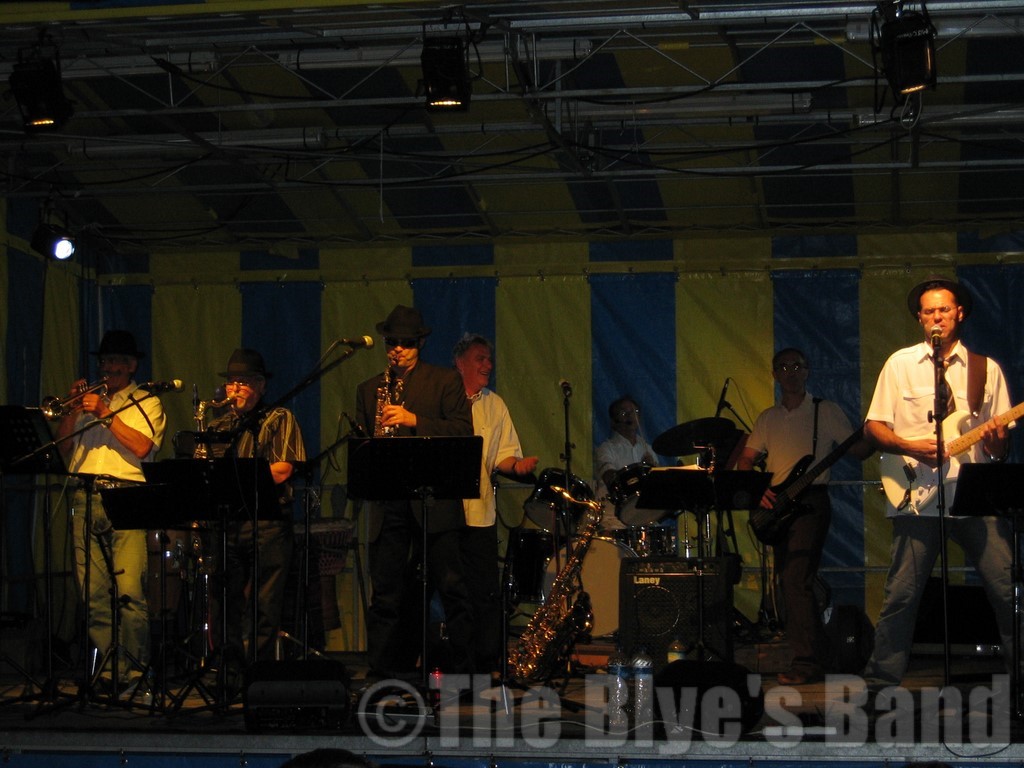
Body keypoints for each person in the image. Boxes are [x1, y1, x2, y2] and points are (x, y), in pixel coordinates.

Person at [861, 275, 1014, 687]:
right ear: (919, 318)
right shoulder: (900, 364)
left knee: (1006, 588)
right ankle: (880, 683)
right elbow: (874, 428)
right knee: (902, 594)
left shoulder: (986, 369)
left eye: (944, 309)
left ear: (959, 314)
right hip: (916, 492)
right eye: (928, 311)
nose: (936, 317)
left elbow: (999, 451)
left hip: (974, 493)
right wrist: (911, 446)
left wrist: (998, 443)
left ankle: (1021, 683)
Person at [736, 348, 872, 685]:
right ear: (775, 375)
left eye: (796, 366)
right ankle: (819, 657)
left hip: (811, 502)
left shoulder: (825, 411)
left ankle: (808, 663)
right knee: (791, 582)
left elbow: (858, 450)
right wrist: (756, 490)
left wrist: (877, 434)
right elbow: (745, 460)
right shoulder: (767, 418)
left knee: (796, 580)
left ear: (807, 371)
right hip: (778, 506)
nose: (790, 372)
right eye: (783, 367)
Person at [354, 305, 475, 677]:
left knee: (452, 589)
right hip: (389, 501)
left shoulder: (444, 381)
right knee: (386, 594)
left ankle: (465, 672)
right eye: (392, 343)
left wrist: (412, 420)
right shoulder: (370, 389)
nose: (397, 350)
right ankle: (382, 672)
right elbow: (360, 446)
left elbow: (462, 432)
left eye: (406, 344)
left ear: (419, 343)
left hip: (433, 500)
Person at [55, 329, 167, 696]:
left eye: (117, 362)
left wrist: (104, 413)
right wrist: (72, 410)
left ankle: (136, 673)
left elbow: (143, 445)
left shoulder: (146, 401)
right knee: (94, 593)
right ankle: (108, 670)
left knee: (130, 591)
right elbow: (64, 449)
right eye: (105, 362)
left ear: (132, 366)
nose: (109, 369)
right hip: (85, 496)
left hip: (127, 497)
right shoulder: (87, 403)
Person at [202, 348, 306, 663]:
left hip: (268, 521)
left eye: (244, 383)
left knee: (265, 602)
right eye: (232, 382)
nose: (236, 390)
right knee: (225, 598)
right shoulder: (219, 427)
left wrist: (235, 480)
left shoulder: (278, 418)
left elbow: (283, 469)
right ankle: (229, 667)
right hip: (230, 522)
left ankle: (258, 670)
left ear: (260, 386)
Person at [452, 332, 539, 674]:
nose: (488, 364)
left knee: (485, 591)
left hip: (480, 513)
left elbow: (502, 455)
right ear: (459, 363)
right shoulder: (444, 397)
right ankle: (454, 662)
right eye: (480, 358)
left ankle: (485, 661)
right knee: (449, 590)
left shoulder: (494, 404)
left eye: (489, 359)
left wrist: (517, 466)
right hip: (445, 512)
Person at [594, 396, 659, 530]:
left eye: (635, 412)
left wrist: (652, 470)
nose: (631, 416)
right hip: (614, 519)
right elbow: (609, 477)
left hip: (644, 517)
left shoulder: (648, 449)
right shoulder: (606, 449)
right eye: (624, 413)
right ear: (613, 421)